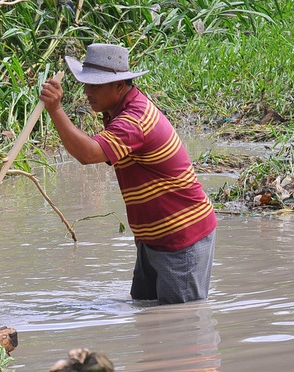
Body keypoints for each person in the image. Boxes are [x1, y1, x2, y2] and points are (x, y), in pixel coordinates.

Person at [40, 43, 217, 304]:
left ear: (119, 86)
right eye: (86, 84)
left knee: (183, 328)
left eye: (96, 86)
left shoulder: (134, 120)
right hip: (152, 238)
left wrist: (55, 110)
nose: (88, 92)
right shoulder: (119, 111)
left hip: (181, 238)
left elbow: (89, 154)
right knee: (146, 311)